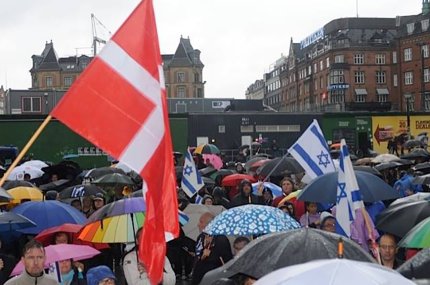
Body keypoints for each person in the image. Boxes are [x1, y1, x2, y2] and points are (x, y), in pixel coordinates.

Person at [192, 212, 232, 285]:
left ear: (209, 225)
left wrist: (212, 254)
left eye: (201, 222)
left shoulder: (221, 239)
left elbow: (226, 260)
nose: (198, 225)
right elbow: (197, 257)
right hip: (198, 278)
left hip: (214, 279)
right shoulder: (201, 237)